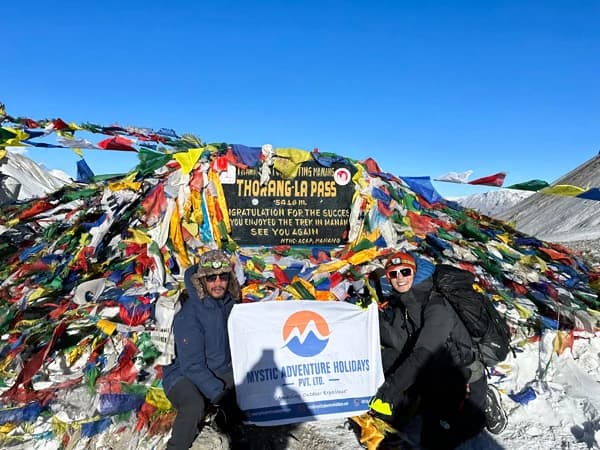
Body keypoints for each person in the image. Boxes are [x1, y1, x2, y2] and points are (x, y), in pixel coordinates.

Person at [368, 251, 507, 449]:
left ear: (415, 273)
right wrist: (374, 316)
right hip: (433, 373)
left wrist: (388, 393)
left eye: (405, 272)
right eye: (393, 274)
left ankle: (484, 402)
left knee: (442, 440)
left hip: (462, 375)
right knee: (389, 357)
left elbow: (423, 354)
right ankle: (404, 413)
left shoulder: (437, 306)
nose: (399, 278)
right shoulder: (404, 303)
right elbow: (398, 343)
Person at [162, 249, 242, 450]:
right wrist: (219, 394)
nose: (217, 283)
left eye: (222, 277)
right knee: (193, 405)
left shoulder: (231, 304)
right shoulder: (189, 314)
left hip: (219, 369)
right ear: (201, 281)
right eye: (211, 278)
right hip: (183, 375)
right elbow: (192, 365)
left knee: (249, 393)